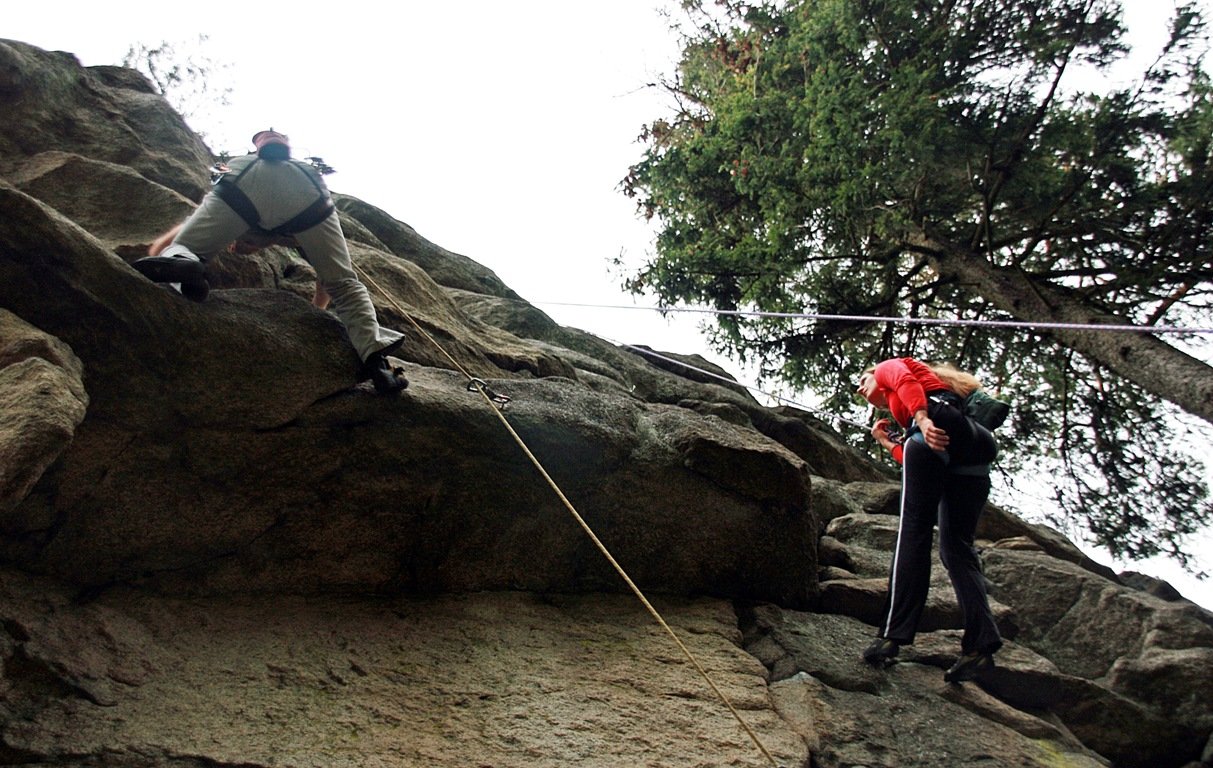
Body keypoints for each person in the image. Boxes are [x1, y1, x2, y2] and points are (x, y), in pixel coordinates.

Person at [133, 129, 408, 394]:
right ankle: (377, 364)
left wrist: (175, 255)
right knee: (345, 284)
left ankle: (187, 263)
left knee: (186, 248)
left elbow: (164, 245)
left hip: (243, 179)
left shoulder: (238, 193)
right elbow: (331, 281)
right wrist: (316, 311)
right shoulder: (298, 229)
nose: (237, 248)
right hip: (307, 190)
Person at [856, 357, 1002, 682]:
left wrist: (919, 419)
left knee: (914, 532)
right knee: (956, 549)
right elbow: (921, 454)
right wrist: (887, 441)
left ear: (874, 376)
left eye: (862, 381)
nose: (859, 387)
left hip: (935, 424)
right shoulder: (940, 399)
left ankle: (892, 635)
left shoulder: (885, 370)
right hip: (972, 449)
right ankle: (981, 647)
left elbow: (905, 381)